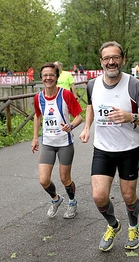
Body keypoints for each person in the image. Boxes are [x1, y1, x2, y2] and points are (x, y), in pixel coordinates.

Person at [79, 41, 139, 252]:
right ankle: (113, 225)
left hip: (128, 150)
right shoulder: (92, 84)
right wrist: (87, 127)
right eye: (107, 58)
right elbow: (91, 106)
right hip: (102, 149)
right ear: (101, 62)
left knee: (128, 196)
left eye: (115, 57)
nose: (111, 62)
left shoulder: (133, 85)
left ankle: (134, 227)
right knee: (98, 196)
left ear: (123, 59)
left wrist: (130, 116)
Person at [31, 62, 83, 219]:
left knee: (64, 178)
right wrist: (34, 138)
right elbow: (37, 116)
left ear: (56, 77)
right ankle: (56, 199)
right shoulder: (38, 97)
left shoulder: (65, 95)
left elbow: (79, 117)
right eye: (45, 75)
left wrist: (71, 126)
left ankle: (72, 202)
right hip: (47, 143)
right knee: (43, 180)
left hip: (64, 143)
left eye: (51, 75)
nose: (48, 78)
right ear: (41, 78)